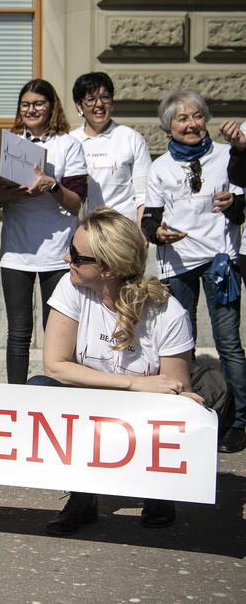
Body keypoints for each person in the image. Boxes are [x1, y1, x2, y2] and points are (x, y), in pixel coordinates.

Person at [30, 207, 202, 535]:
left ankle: (159, 488)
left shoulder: (169, 314)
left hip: (141, 419)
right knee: (39, 386)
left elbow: (176, 393)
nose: (67, 257)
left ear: (107, 268)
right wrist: (133, 385)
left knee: (177, 408)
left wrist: (142, 393)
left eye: (78, 256)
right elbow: (55, 366)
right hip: (90, 407)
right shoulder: (72, 287)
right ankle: (82, 494)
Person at [141, 90, 246, 454]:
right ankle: (188, 413)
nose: (192, 124)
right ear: (168, 127)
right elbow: (150, 219)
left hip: (220, 262)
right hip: (178, 265)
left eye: (197, 116)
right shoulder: (159, 168)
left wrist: (234, 204)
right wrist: (158, 233)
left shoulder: (227, 155)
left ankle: (238, 421)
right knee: (179, 345)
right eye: (182, 118)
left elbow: (239, 208)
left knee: (228, 343)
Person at [0, 79, 87, 385]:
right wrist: (3, 191)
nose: (31, 110)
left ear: (52, 107)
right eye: (26, 104)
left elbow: (76, 203)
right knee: (18, 332)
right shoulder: (8, 142)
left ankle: (56, 393)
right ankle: (15, 397)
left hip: (57, 252)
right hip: (16, 251)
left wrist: (52, 185)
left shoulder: (68, 145)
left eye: (38, 104)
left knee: (56, 330)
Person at [69, 72, 152, 223]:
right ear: (79, 105)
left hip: (122, 233)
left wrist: (141, 233)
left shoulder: (131, 138)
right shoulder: (70, 142)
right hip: (83, 232)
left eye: (105, 97)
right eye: (91, 99)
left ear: (112, 102)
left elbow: (144, 194)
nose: (99, 104)